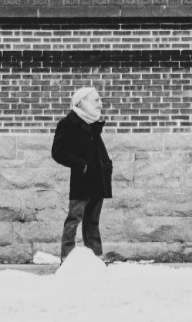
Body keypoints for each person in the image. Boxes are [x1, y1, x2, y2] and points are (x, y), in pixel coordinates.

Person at [51, 86, 113, 260]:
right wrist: (80, 165)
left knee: (92, 223)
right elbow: (58, 152)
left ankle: (96, 258)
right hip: (82, 181)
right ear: (82, 102)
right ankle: (67, 258)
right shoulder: (68, 124)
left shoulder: (92, 123)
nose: (100, 104)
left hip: (98, 180)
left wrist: (106, 165)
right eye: (96, 100)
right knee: (73, 220)